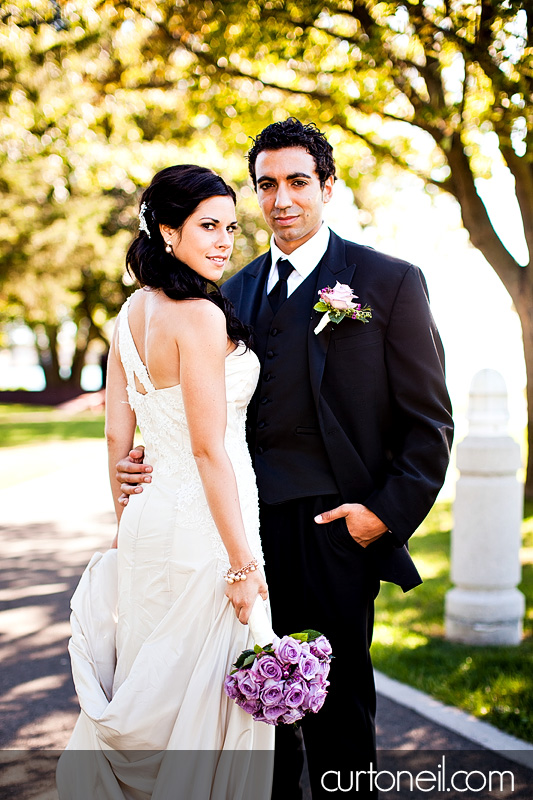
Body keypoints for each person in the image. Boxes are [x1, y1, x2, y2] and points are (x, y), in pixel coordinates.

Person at [117, 119, 454, 798]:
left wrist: (380, 516)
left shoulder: (385, 281)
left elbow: (428, 423)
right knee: (250, 718)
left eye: (298, 181)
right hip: (237, 532)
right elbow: (191, 405)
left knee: (337, 711)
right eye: (265, 185)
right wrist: (137, 459)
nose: (281, 199)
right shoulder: (223, 290)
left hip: (335, 530)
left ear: (327, 187)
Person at [56, 165, 274, 799]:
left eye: (231, 228)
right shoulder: (200, 316)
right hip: (210, 527)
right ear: (168, 230)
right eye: (207, 226)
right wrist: (242, 565)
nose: (223, 241)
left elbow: (116, 440)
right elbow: (209, 451)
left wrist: (127, 520)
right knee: (204, 703)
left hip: (149, 525)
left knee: (154, 687)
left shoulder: (129, 314)